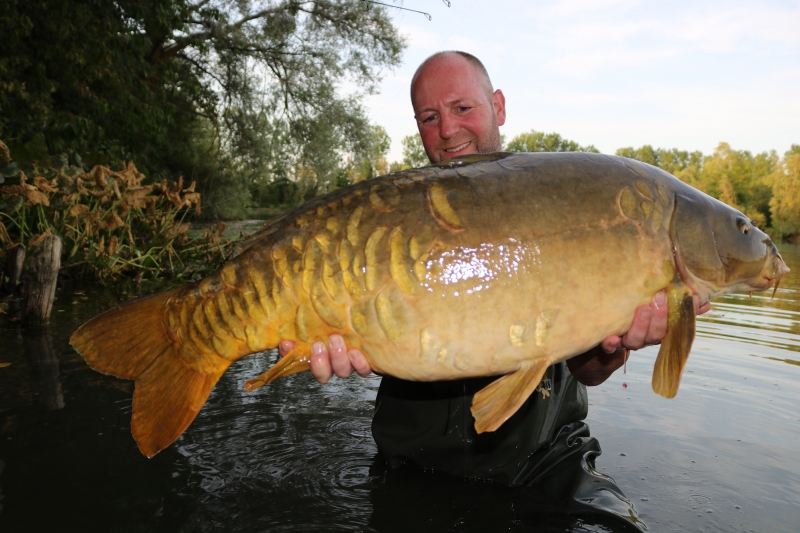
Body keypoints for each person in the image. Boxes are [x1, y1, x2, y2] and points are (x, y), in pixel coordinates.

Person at [279, 51, 709, 485]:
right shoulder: (387, 224)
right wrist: (325, 342)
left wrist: (617, 344)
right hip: (413, 465)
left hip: (548, 460)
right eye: (429, 117)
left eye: (462, 108)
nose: (447, 130)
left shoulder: (567, 198)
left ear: (498, 106)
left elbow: (589, 372)